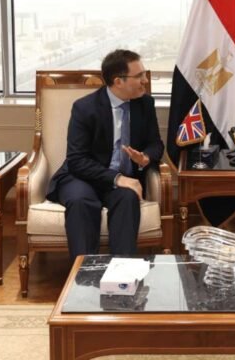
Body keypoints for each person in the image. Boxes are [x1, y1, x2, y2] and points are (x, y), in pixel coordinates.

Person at [46, 49, 164, 259]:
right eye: (139, 76)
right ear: (118, 81)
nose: (145, 81)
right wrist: (117, 178)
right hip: (82, 178)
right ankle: (84, 272)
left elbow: (155, 143)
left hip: (123, 181)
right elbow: (77, 160)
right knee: (81, 202)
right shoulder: (85, 108)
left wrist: (145, 158)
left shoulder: (145, 104)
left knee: (128, 198)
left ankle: (122, 272)